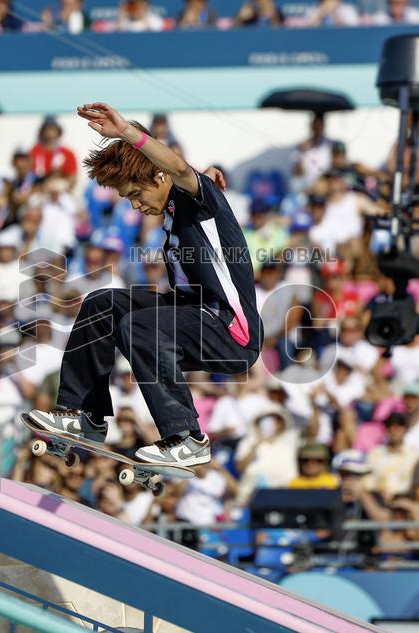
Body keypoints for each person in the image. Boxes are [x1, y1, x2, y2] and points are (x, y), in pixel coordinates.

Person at [25, 102, 262, 467]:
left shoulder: (200, 202)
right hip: (191, 317)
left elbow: (180, 168)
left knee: (138, 327)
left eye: (136, 194)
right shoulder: (171, 210)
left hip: (232, 332)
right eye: (127, 198)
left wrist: (126, 133)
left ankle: (187, 437)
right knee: (101, 304)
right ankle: (83, 415)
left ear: (160, 179)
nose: (135, 206)